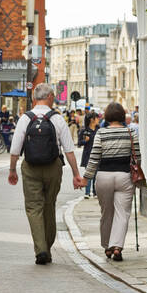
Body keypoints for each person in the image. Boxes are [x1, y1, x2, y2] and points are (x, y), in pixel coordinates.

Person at [8, 83, 84, 264]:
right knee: (49, 205)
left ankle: (41, 249)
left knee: (34, 208)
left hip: (30, 166)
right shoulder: (57, 119)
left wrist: (12, 170)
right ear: (50, 97)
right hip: (53, 167)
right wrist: (76, 174)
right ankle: (47, 247)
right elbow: (69, 150)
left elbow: (15, 149)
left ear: (34, 98)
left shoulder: (26, 119)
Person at [86, 102, 136, 261]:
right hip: (124, 176)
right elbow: (137, 158)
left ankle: (107, 246)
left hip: (104, 176)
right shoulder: (130, 132)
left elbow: (94, 158)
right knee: (122, 214)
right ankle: (117, 247)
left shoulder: (101, 133)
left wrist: (85, 178)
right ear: (122, 115)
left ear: (106, 116)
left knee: (106, 213)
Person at [78, 112, 100, 198]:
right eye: (97, 118)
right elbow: (79, 143)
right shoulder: (84, 131)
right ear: (92, 120)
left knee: (96, 175)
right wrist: (85, 141)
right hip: (88, 155)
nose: (98, 119)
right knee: (88, 174)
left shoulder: (99, 130)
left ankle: (95, 192)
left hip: (98, 154)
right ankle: (87, 193)